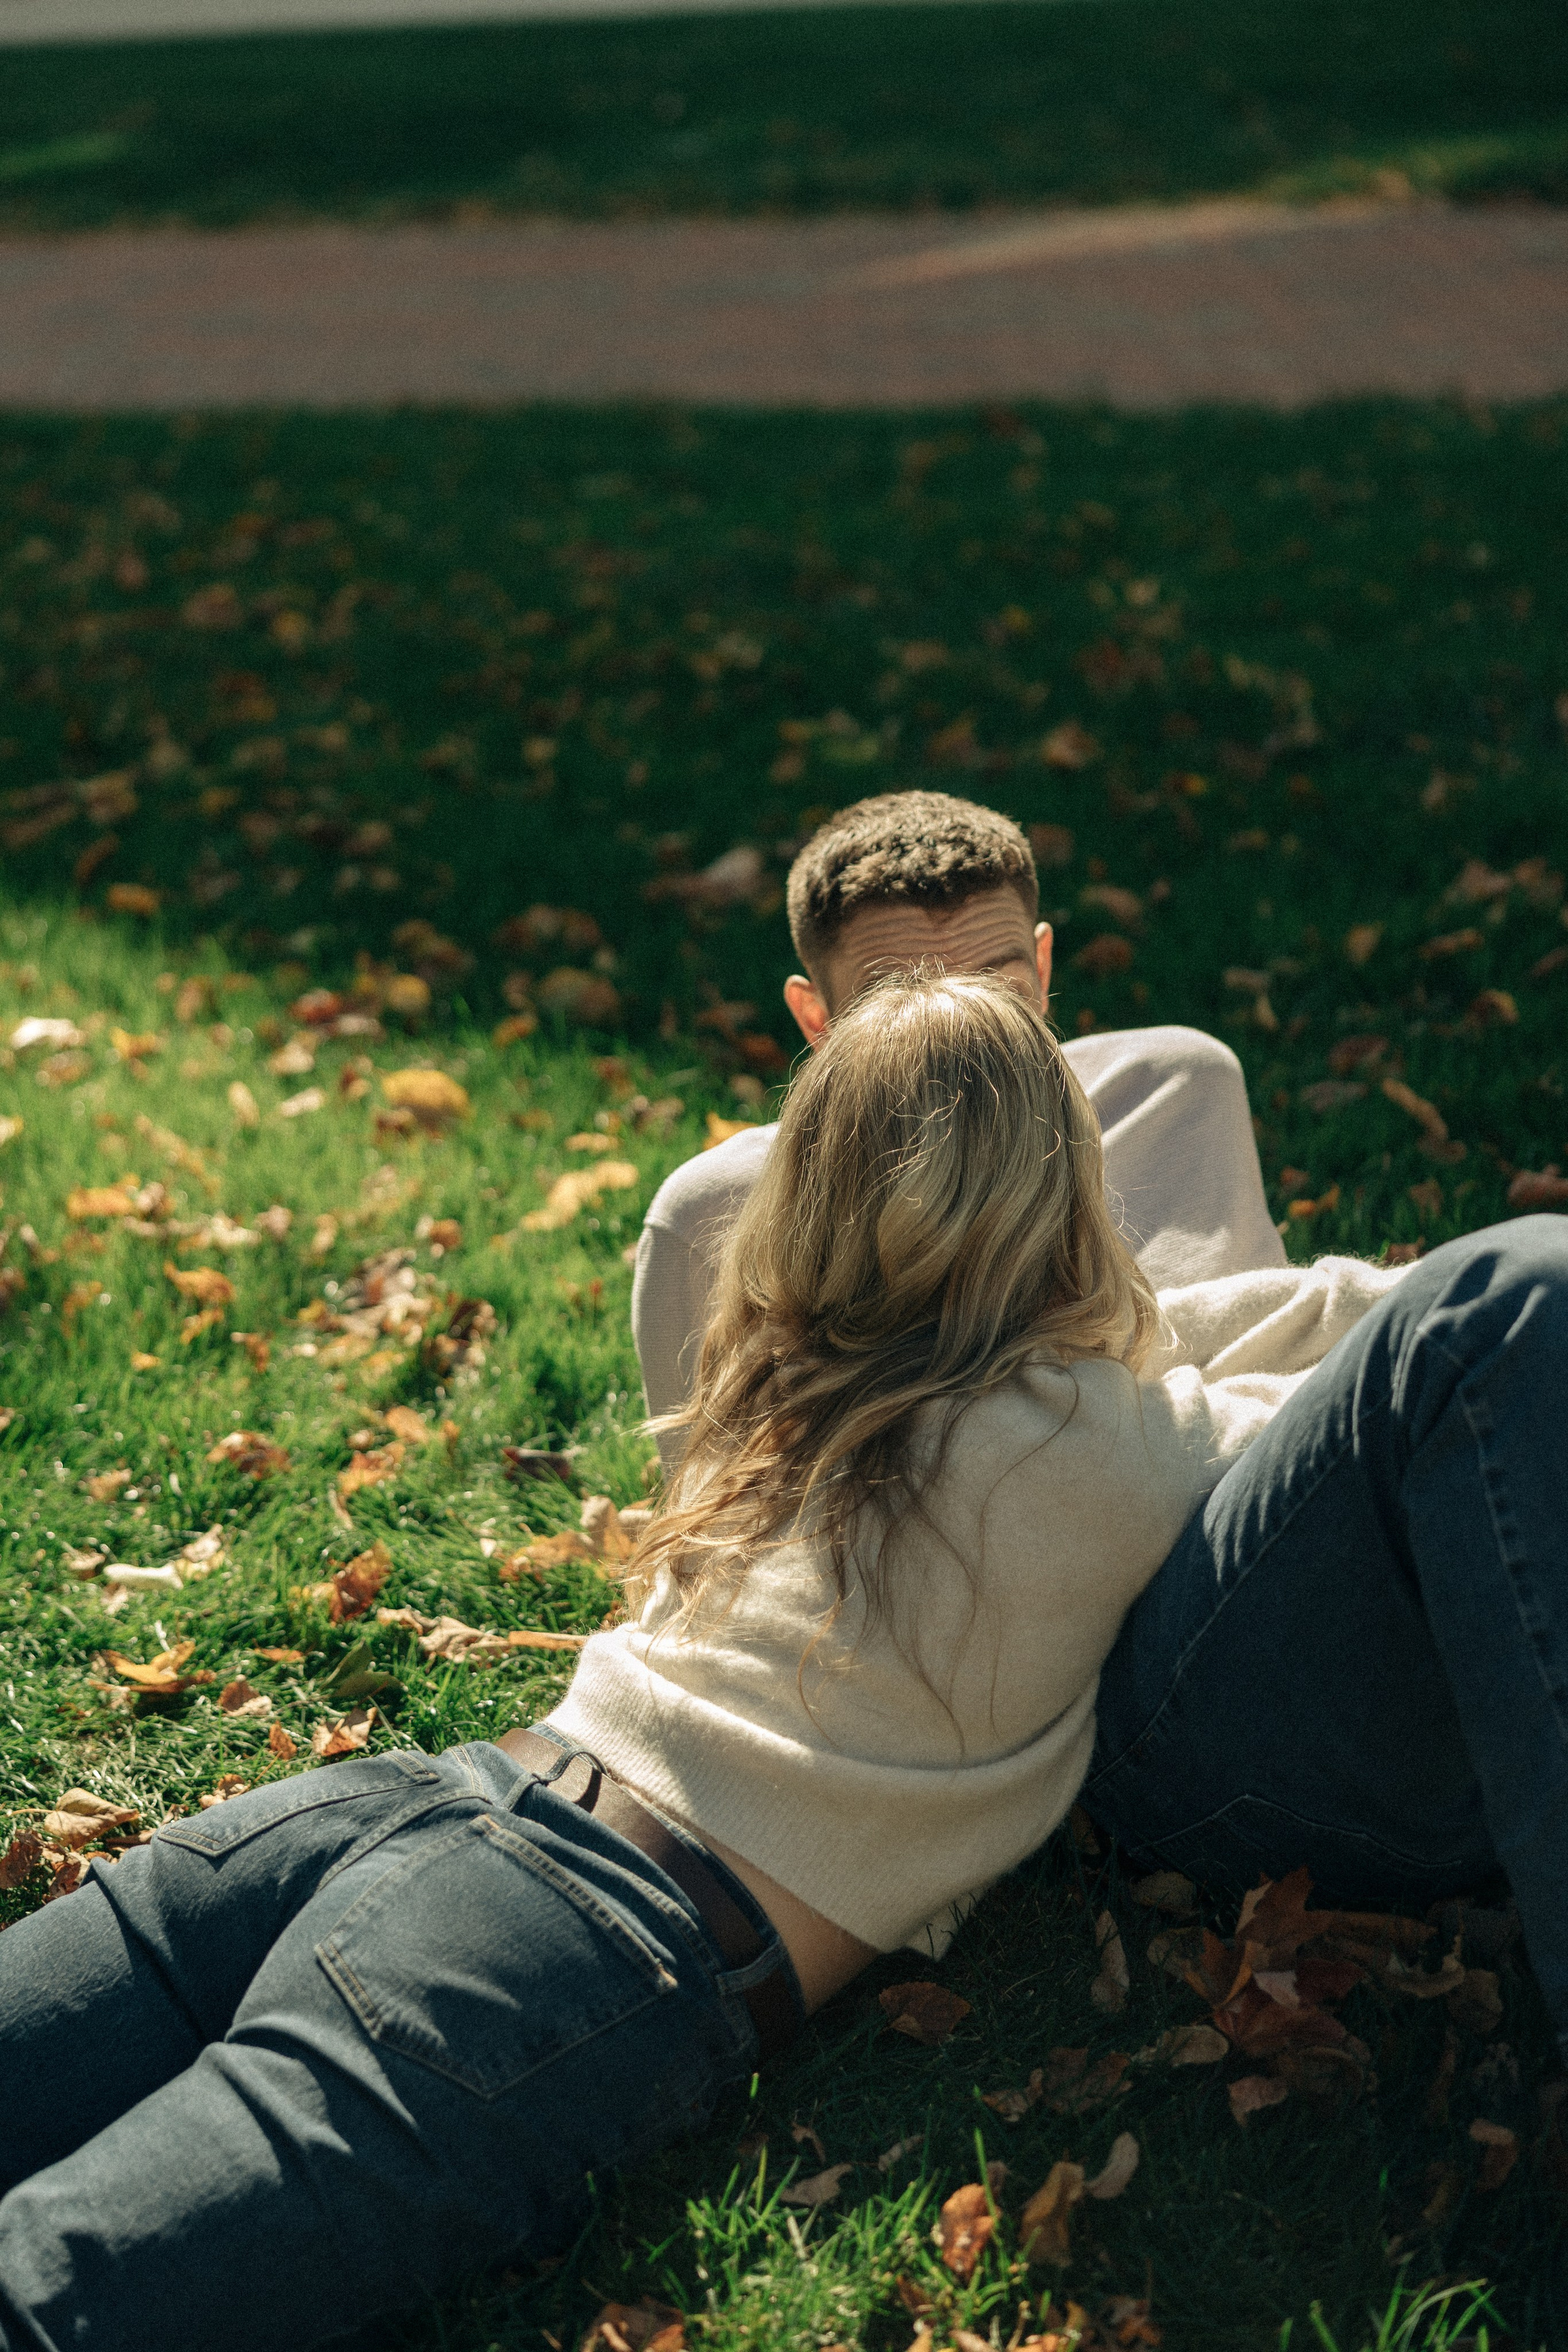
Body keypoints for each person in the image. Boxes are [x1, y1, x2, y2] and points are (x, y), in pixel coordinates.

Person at [0, 976, 1562, 2352]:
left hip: (414, 1798)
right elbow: (1315, 1398)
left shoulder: (790, 1379)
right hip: (572, 1936)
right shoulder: (1107, 1445)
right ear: (1070, 1202)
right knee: (62, 2300)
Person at [634, 789, 1286, 1458]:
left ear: (1042, 969)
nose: (966, 1044)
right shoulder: (718, 1214)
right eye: (901, 1001)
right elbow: (725, 1510)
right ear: (817, 1021)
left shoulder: (1173, 1092)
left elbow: (1270, 1365)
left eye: (1000, 988)